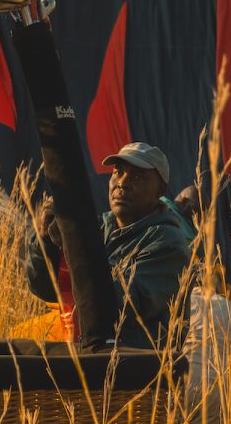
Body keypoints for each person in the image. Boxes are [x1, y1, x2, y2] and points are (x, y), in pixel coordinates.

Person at [26, 142, 193, 347]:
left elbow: (119, 308)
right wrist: (45, 241)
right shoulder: (97, 227)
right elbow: (44, 289)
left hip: (137, 368)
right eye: (118, 172)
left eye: (137, 176)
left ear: (160, 190)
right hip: (89, 354)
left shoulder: (168, 244)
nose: (122, 183)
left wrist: (76, 248)